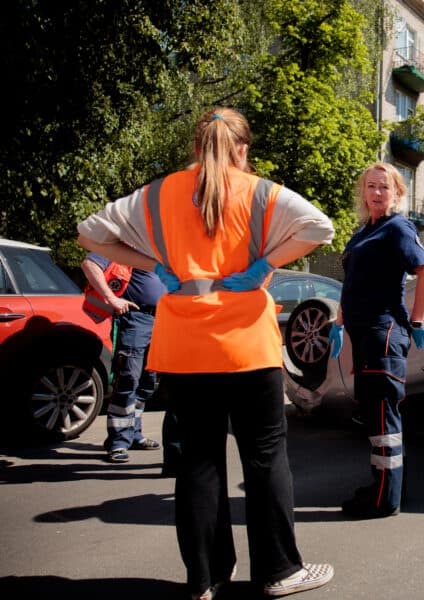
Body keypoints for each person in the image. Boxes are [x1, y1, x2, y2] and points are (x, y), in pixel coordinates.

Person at [77, 107, 335, 599]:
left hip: (183, 345)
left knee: (199, 461)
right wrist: (263, 264)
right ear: (243, 148)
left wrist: (154, 261)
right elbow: (318, 228)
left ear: (196, 147)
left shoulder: (157, 194)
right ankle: (279, 571)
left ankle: (206, 578)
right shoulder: (260, 192)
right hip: (246, 345)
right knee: (264, 459)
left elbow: (90, 234)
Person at [329, 162, 424, 519]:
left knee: (382, 416)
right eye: (371, 186)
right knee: (374, 416)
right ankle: (384, 487)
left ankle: (383, 500)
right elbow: (351, 284)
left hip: (383, 332)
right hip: (362, 333)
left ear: (397, 193)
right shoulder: (362, 232)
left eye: (384, 187)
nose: (377, 193)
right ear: (363, 192)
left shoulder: (397, 228)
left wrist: (417, 319)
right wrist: (339, 323)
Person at [81, 254, 165, 463]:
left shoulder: (159, 245)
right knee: (128, 379)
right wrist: (112, 298)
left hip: (161, 321)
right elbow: (89, 264)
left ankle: (134, 434)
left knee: (147, 382)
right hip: (135, 320)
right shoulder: (127, 242)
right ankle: (118, 441)